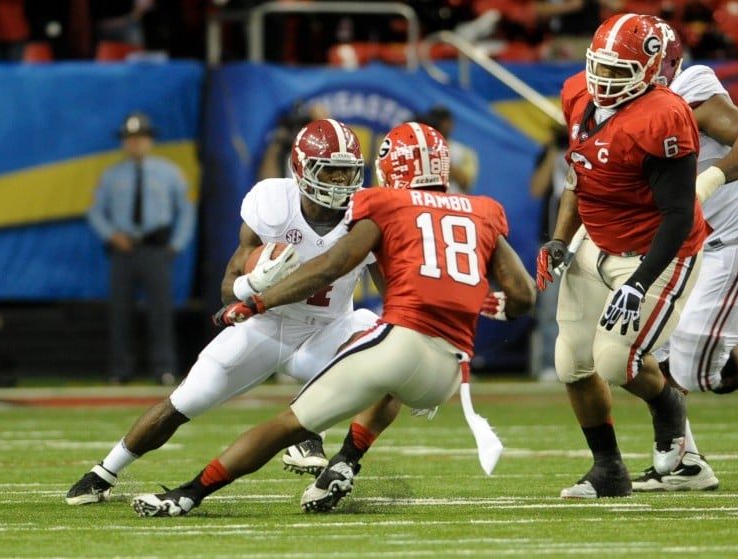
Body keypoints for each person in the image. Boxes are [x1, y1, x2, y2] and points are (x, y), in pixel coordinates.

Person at [129, 121, 537, 517]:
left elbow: (330, 266)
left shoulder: (387, 203)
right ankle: (345, 462)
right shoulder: (483, 209)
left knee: (291, 423)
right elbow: (522, 296)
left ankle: (188, 494)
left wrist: (256, 303)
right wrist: (483, 306)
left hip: (401, 345)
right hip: (450, 371)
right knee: (386, 383)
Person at [67, 119, 388, 505]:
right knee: (187, 400)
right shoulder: (274, 204)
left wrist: (417, 356)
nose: (338, 180)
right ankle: (104, 471)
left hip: (328, 330)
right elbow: (227, 289)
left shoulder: (369, 213)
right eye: (329, 169)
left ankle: (331, 454)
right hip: (265, 326)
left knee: (378, 335)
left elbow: (395, 295)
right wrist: (254, 283)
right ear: (302, 168)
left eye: (347, 171)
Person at [537, 13, 709, 499]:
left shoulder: (664, 116)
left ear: (652, 69)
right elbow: (579, 174)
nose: (604, 80)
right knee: (572, 363)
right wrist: (559, 237)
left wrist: (638, 282)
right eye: (600, 67)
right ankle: (608, 468)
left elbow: (678, 213)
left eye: (619, 71)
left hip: (658, 251)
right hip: (595, 241)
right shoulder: (576, 93)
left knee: (616, 360)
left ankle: (668, 406)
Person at [630, 20, 738, 492]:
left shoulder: (689, 89)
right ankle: (685, 463)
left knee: (696, 370)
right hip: (688, 248)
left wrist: (714, 179)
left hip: (733, 238)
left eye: (624, 66)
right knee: (643, 352)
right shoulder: (611, 108)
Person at [86, 111, 195, 386]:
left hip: (156, 248)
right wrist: (111, 235)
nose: (135, 144)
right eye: (130, 138)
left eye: (140, 138)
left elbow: (186, 209)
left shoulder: (168, 172)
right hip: (124, 250)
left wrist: (176, 244)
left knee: (160, 311)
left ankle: (164, 368)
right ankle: (120, 369)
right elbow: (95, 210)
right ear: (124, 142)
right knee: (120, 312)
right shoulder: (111, 175)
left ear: (150, 140)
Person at [528, 123, 569, 381]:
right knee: (549, 309)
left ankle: (585, 365)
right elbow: (537, 189)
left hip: (585, 241)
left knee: (587, 307)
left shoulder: (590, 149)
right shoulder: (550, 154)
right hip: (550, 242)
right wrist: (554, 149)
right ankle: (548, 364)